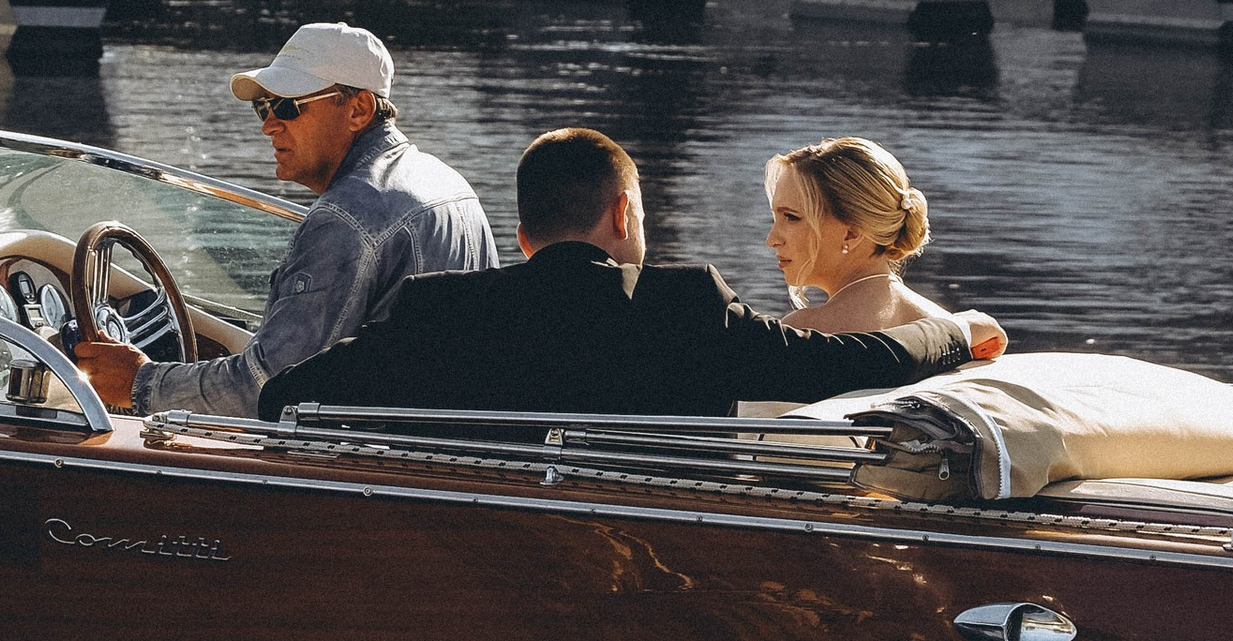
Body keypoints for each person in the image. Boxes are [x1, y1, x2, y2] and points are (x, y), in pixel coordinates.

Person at [256, 125, 1003, 420]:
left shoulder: (434, 311)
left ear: (520, 238)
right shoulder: (689, 308)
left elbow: (285, 396)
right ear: (622, 217)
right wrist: (957, 333)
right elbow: (857, 360)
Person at [71, 20, 494, 420]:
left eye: (288, 107)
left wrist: (139, 383)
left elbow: (268, 389)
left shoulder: (345, 216)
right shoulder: (450, 184)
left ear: (359, 110)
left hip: (359, 472)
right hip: (426, 450)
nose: (269, 126)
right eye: (263, 108)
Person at [762, 137, 955, 337]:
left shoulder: (806, 330)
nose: (772, 240)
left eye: (791, 217)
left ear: (851, 234)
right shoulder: (950, 326)